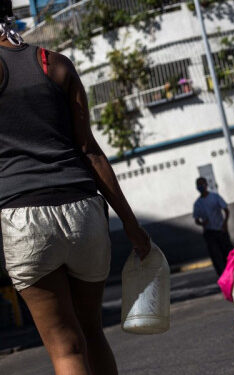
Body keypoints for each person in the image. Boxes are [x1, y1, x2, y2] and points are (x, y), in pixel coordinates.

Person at [0, 3, 150, 375]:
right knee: (92, 332)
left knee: (66, 348)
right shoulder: (55, 63)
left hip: (24, 218)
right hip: (83, 211)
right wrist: (131, 225)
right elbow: (90, 150)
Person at [193, 178, 233, 276]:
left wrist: (225, 223)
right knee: (216, 257)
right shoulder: (198, 203)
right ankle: (223, 277)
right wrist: (203, 223)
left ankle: (233, 274)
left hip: (221, 230)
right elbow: (196, 220)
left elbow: (226, 210)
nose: (201, 187)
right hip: (209, 233)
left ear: (206, 185)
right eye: (199, 185)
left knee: (227, 254)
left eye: (202, 184)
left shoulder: (215, 197)